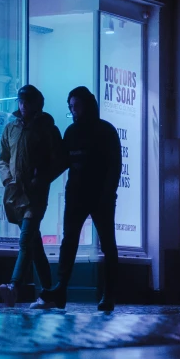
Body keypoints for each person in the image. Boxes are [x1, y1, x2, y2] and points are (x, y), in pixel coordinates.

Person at [31, 85, 122, 312]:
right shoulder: (72, 132)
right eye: (71, 107)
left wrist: (108, 193)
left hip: (100, 196)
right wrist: (42, 178)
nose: (73, 111)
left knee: (107, 244)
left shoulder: (106, 132)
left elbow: (114, 167)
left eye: (76, 106)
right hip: (77, 196)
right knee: (69, 242)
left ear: (87, 105)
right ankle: (61, 289)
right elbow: (62, 162)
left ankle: (108, 294)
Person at [0, 85, 62, 307]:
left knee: (26, 241)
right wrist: (7, 179)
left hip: (35, 196)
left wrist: (42, 178)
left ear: (36, 104)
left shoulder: (47, 129)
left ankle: (14, 286)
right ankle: (49, 291)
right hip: (17, 195)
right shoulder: (10, 129)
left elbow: (59, 161)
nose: (23, 106)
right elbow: (3, 158)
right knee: (35, 245)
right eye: (20, 101)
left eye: (27, 101)